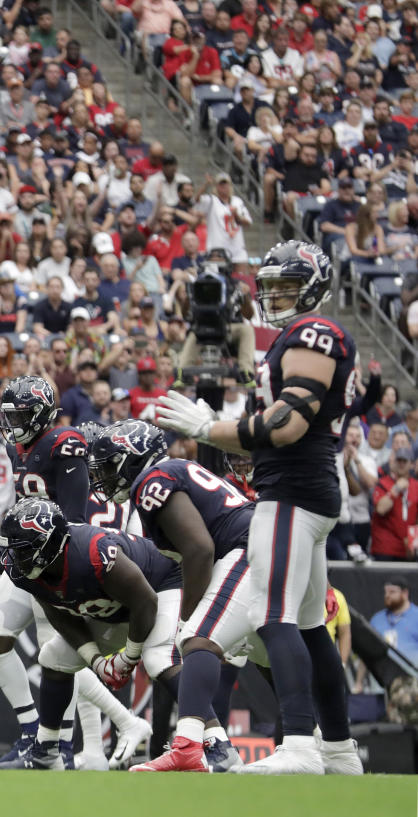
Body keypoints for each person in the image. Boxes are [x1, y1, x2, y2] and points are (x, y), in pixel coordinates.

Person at [156, 240, 363, 775]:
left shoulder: (314, 335)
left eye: (289, 285)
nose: (277, 296)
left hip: (293, 492)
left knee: (272, 615)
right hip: (303, 489)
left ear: (316, 286)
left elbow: (285, 425)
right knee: (312, 626)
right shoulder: (294, 340)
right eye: (271, 286)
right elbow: (264, 433)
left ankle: (298, 745)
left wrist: (208, 428)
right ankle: (339, 750)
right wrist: (220, 431)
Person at [0, 375, 151, 770]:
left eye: (22, 414)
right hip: (27, 556)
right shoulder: (19, 448)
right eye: (11, 415)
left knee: (61, 658)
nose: (13, 423)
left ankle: (69, 744)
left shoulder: (65, 446)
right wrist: (0, 564)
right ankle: (35, 733)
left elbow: (73, 520)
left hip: (55, 559)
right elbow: (20, 508)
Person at [89, 420, 250, 772]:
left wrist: (191, 615)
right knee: (270, 651)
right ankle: (317, 741)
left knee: (183, 643)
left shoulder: (152, 481)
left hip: (232, 557)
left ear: (131, 459)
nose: (101, 477)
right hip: (242, 553)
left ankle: (210, 747)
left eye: (107, 465)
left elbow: (197, 548)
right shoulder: (167, 475)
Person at [0, 498, 182, 770]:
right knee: (54, 657)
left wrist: (128, 658)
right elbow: (59, 613)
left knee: (158, 659)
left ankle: (212, 742)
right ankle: (46, 750)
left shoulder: (93, 553)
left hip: (161, 585)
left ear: (49, 544)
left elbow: (145, 601)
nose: (14, 559)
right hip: (116, 608)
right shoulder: (28, 571)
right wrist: (95, 660)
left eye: (22, 550)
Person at [370, 449, 418, 561]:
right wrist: (395, 489)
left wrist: (414, 541)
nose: (401, 464)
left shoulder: (416, 486)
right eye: (399, 461)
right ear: (394, 463)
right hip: (385, 547)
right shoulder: (383, 483)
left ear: (411, 465)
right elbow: (381, 509)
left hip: (407, 548)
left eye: (404, 461)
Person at [369, 577, 418, 667]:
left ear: (405, 593)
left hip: (412, 675)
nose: (387, 595)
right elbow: (368, 651)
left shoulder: (416, 616)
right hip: (382, 676)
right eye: (386, 592)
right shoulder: (376, 619)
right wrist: (358, 680)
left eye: (392, 592)